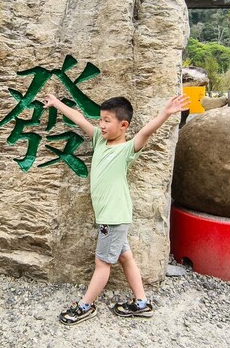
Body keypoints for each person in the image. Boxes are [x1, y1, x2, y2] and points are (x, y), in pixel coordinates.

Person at [43, 92, 191, 325]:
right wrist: (57, 103)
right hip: (113, 216)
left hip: (113, 217)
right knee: (125, 257)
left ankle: (85, 305)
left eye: (107, 121)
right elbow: (79, 118)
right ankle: (141, 302)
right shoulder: (99, 141)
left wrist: (165, 113)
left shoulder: (127, 150)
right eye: (100, 120)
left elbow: (146, 132)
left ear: (123, 125)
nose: (101, 125)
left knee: (103, 263)